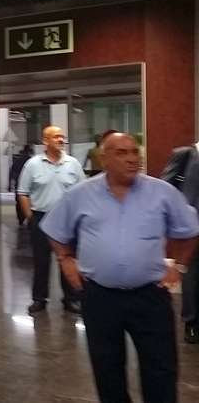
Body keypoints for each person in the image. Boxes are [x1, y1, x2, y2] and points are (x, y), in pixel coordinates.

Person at [41, 132, 199, 403]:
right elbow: (55, 229)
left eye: (135, 152)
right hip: (100, 297)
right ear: (104, 159)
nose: (132, 159)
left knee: (160, 369)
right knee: (107, 369)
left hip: (150, 297)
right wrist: (65, 259)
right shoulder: (81, 194)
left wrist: (180, 265)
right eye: (121, 153)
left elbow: (190, 228)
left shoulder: (161, 192)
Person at [17, 126, 85, 315]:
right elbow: (23, 192)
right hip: (41, 218)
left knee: (67, 259)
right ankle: (39, 299)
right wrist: (30, 218)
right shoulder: (33, 164)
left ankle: (71, 299)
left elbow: (82, 191)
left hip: (66, 220)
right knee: (41, 261)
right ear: (45, 141)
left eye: (62, 136)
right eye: (56, 137)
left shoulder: (72, 163)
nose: (61, 140)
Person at [162, 141, 199, 343]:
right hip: (193, 228)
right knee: (192, 275)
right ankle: (191, 322)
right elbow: (165, 188)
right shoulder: (186, 155)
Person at [8, 145, 33, 226]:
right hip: (29, 185)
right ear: (29, 152)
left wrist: (9, 185)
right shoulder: (31, 161)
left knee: (18, 202)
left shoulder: (17, 160)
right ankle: (29, 218)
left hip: (18, 184)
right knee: (30, 202)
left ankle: (20, 219)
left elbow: (11, 173)